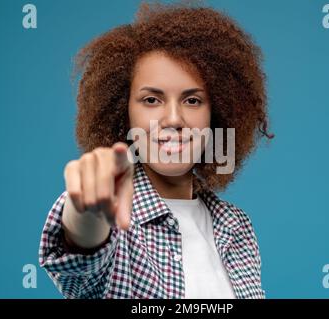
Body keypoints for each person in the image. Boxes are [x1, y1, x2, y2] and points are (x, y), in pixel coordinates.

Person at [39, 1, 273, 299]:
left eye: (192, 101)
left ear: (216, 116)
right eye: (151, 100)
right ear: (124, 113)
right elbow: (82, 250)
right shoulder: (114, 214)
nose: (173, 119)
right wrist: (86, 209)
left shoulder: (235, 227)